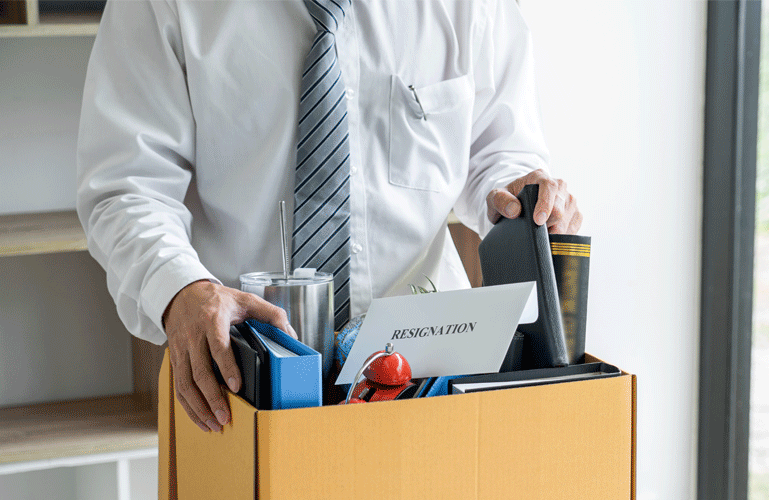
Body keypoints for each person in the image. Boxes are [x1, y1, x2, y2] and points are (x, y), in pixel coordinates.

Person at [77, 0, 581, 433]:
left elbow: (498, 146)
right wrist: (180, 289)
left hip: (432, 374)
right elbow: (127, 186)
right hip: (241, 379)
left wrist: (519, 190)